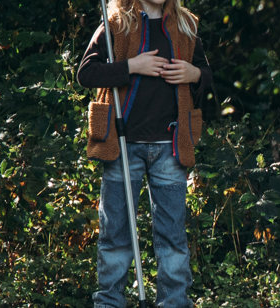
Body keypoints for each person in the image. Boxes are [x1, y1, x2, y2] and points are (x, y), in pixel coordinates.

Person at [75, 0, 212, 306]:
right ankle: (109, 301)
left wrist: (194, 74)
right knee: (115, 232)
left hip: (171, 145)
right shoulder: (116, 23)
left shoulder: (186, 24)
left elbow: (206, 77)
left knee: (172, 236)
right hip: (123, 144)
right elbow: (86, 73)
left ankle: (174, 302)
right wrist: (131, 67)